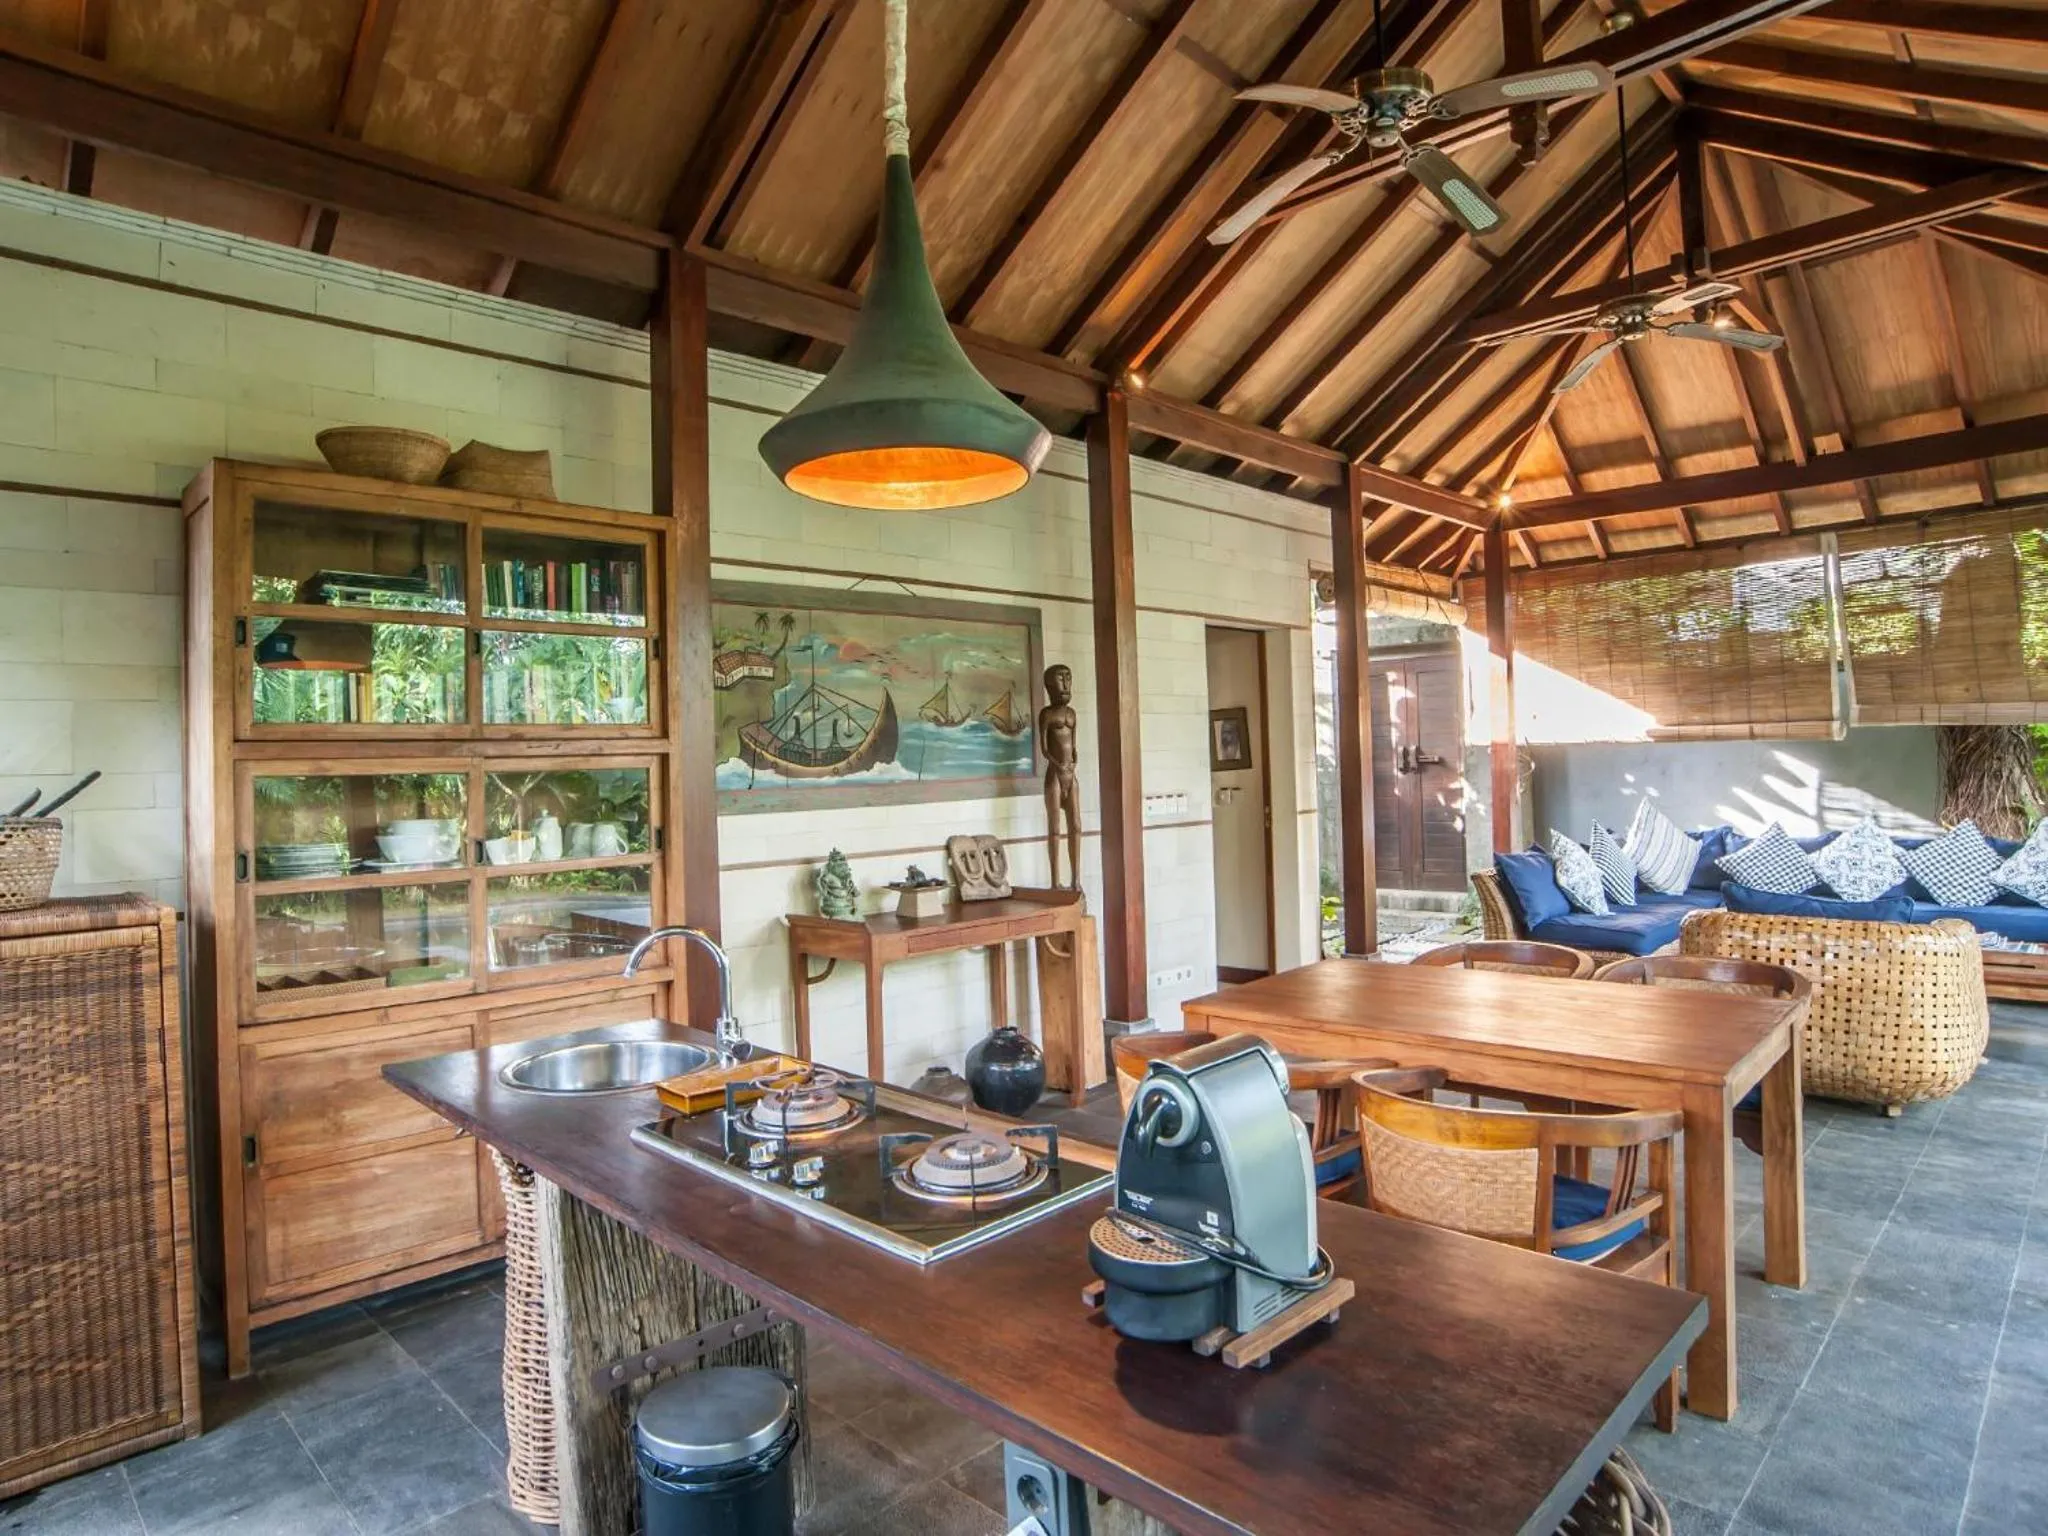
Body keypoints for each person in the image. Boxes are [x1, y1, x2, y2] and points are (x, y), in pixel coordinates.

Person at [1038, 663, 1082, 889]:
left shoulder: (1071, 714)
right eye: (1060, 679)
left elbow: (1073, 745)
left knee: (1076, 826)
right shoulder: (1046, 714)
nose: (1065, 684)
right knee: (1055, 829)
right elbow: (1045, 749)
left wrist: (1073, 761)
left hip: (1070, 775)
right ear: (1049, 685)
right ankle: (1055, 882)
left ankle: (1076, 881)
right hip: (1055, 774)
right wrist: (1060, 765)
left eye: (1068, 678)